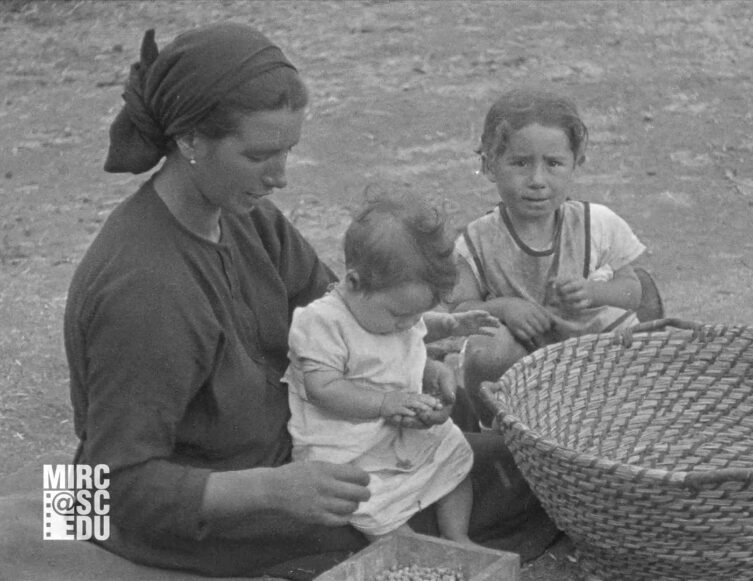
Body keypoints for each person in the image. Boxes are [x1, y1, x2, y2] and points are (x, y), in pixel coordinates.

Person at [63, 24, 559, 580]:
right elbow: (103, 487)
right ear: (189, 142)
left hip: (315, 442)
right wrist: (273, 491)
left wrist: (414, 367)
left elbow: (345, 318)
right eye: (259, 155)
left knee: (524, 462)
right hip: (215, 505)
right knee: (530, 485)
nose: (279, 177)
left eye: (288, 151)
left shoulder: (246, 216)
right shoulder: (144, 290)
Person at [284, 194, 499, 545]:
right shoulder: (324, 322)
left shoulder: (394, 311)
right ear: (353, 283)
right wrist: (385, 403)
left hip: (400, 428)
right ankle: (406, 547)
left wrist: (451, 324)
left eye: (417, 313)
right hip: (347, 441)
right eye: (401, 315)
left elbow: (418, 324)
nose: (409, 324)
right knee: (370, 501)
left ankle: (457, 535)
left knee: (454, 456)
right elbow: (321, 388)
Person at [448, 88, 647, 429]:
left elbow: (634, 291)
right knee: (486, 349)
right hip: (522, 357)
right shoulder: (475, 242)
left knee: (637, 343)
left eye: (553, 164)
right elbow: (460, 310)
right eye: (520, 163)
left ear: (576, 164)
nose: (537, 180)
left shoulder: (596, 224)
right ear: (489, 165)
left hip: (590, 348)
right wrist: (505, 307)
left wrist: (593, 293)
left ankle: (616, 423)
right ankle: (497, 429)